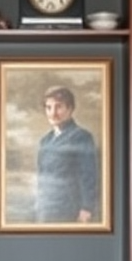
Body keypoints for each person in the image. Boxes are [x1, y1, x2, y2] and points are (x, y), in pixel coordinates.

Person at [36, 85, 99, 224]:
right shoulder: (45, 140)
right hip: (45, 209)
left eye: (58, 107)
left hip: (69, 209)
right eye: (48, 107)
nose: (53, 113)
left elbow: (89, 176)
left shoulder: (81, 137)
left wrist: (86, 208)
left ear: (70, 109)